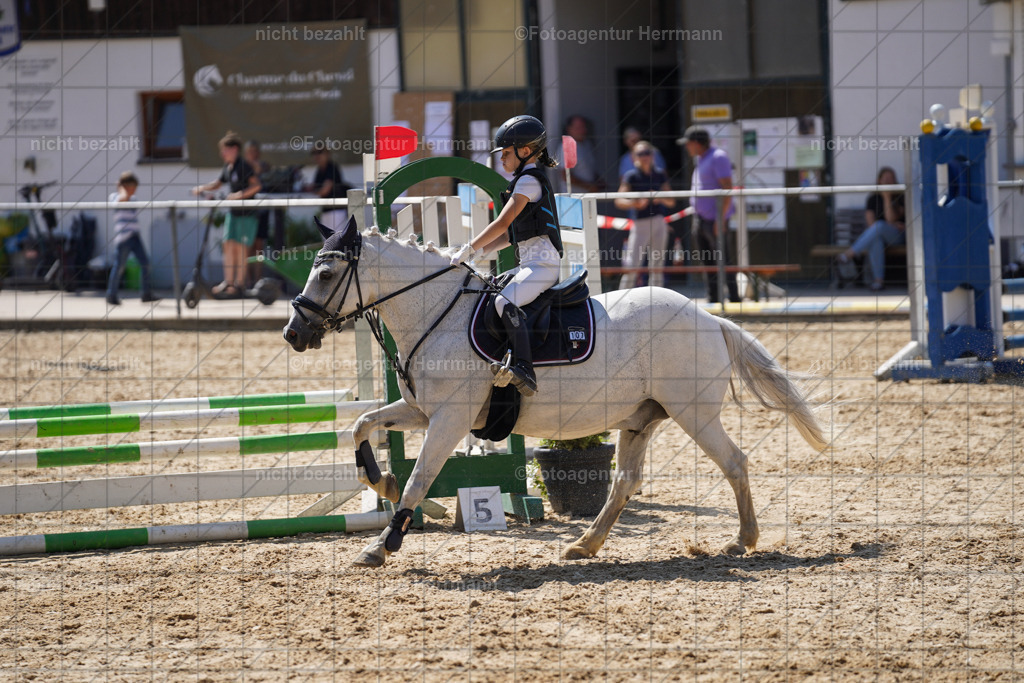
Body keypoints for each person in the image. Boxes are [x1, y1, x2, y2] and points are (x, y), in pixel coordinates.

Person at [449, 115, 562, 397]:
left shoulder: (529, 181)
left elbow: (501, 223)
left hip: (544, 266)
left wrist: (470, 247)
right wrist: (481, 252)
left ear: (526, 151)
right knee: (490, 292)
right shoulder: (523, 180)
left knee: (504, 300)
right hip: (531, 265)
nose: (501, 158)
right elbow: (509, 236)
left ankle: (524, 368)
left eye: (506, 152)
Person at [192, 131, 261, 296]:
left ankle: (239, 285)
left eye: (225, 150)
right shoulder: (228, 167)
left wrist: (239, 195)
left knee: (241, 248)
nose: (222, 153)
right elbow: (217, 183)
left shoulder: (243, 165)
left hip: (247, 214)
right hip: (233, 213)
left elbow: (256, 186)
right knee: (228, 244)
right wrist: (202, 188)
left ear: (234, 149)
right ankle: (228, 282)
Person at [681, 125, 740, 303]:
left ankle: (734, 297)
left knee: (723, 258)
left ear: (697, 143)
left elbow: (727, 188)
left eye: (689, 143)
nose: (687, 147)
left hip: (714, 219)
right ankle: (713, 296)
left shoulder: (718, 157)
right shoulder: (702, 159)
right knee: (707, 260)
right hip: (700, 218)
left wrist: (720, 219)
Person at [615, 140, 674, 289]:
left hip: (658, 221)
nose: (644, 157)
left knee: (657, 266)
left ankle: (657, 302)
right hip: (640, 223)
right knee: (632, 265)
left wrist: (658, 197)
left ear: (652, 155)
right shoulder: (631, 176)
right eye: (640, 154)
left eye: (647, 153)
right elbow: (619, 200)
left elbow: (671, 201)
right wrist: (636, 203)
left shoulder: (659, 174)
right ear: (634, 157)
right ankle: (622, 298)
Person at [839, 166, 905, 291]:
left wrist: (887, 198)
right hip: (880, 234)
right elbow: (871, 225)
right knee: (876, 239)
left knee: (879, 226)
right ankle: (878, 281)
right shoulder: (872, 198)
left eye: (890, 179)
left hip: (898, 236)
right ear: (879, 180)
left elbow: (890, 219)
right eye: (885, 179)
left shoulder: (900, 196)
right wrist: (889, 224)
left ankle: (849, 254)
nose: (887, 182)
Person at [105, 172, 156, 306]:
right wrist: (121, 187)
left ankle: (146, 293)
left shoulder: (133, 199)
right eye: (133, 186)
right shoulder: (115, 196)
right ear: (126, 185)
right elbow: (123, 198)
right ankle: (111, 294)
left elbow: (128, 198)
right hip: (124, 238)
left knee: (145, 263)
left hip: (135, 235)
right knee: (119, 266)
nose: (134, 190)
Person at [552, 114, 603, 193]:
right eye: (578, 128)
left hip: (588, 198)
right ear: (569, 129)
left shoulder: (587, 144)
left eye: (583, 127)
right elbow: (566, 176)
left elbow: (588, 169)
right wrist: (589, 186)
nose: (583, 131)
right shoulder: (568, 146)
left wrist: (598, 181)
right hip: (573, 199)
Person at [306, 144, 351, 232]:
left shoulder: (332, 167)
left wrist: (314, 191)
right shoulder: (319, 170)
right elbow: (314, 187)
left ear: (327, 153)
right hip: (326, 210)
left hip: (337, 211)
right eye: (314, 153)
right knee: (327, 242)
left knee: (337, 241)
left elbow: (324, 190)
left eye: (319, 152)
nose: (317, 156)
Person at [244, 140, 271, 282]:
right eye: (250, 152)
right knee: (248, 245)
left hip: (262, 211)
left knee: (259, 246)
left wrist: (256, 168)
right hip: (248, 212)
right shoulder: (242, 167)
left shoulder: (264, 166)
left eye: (255, 151)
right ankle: (247, 281)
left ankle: (258, 279)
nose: (253, 155)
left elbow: (265, 179)